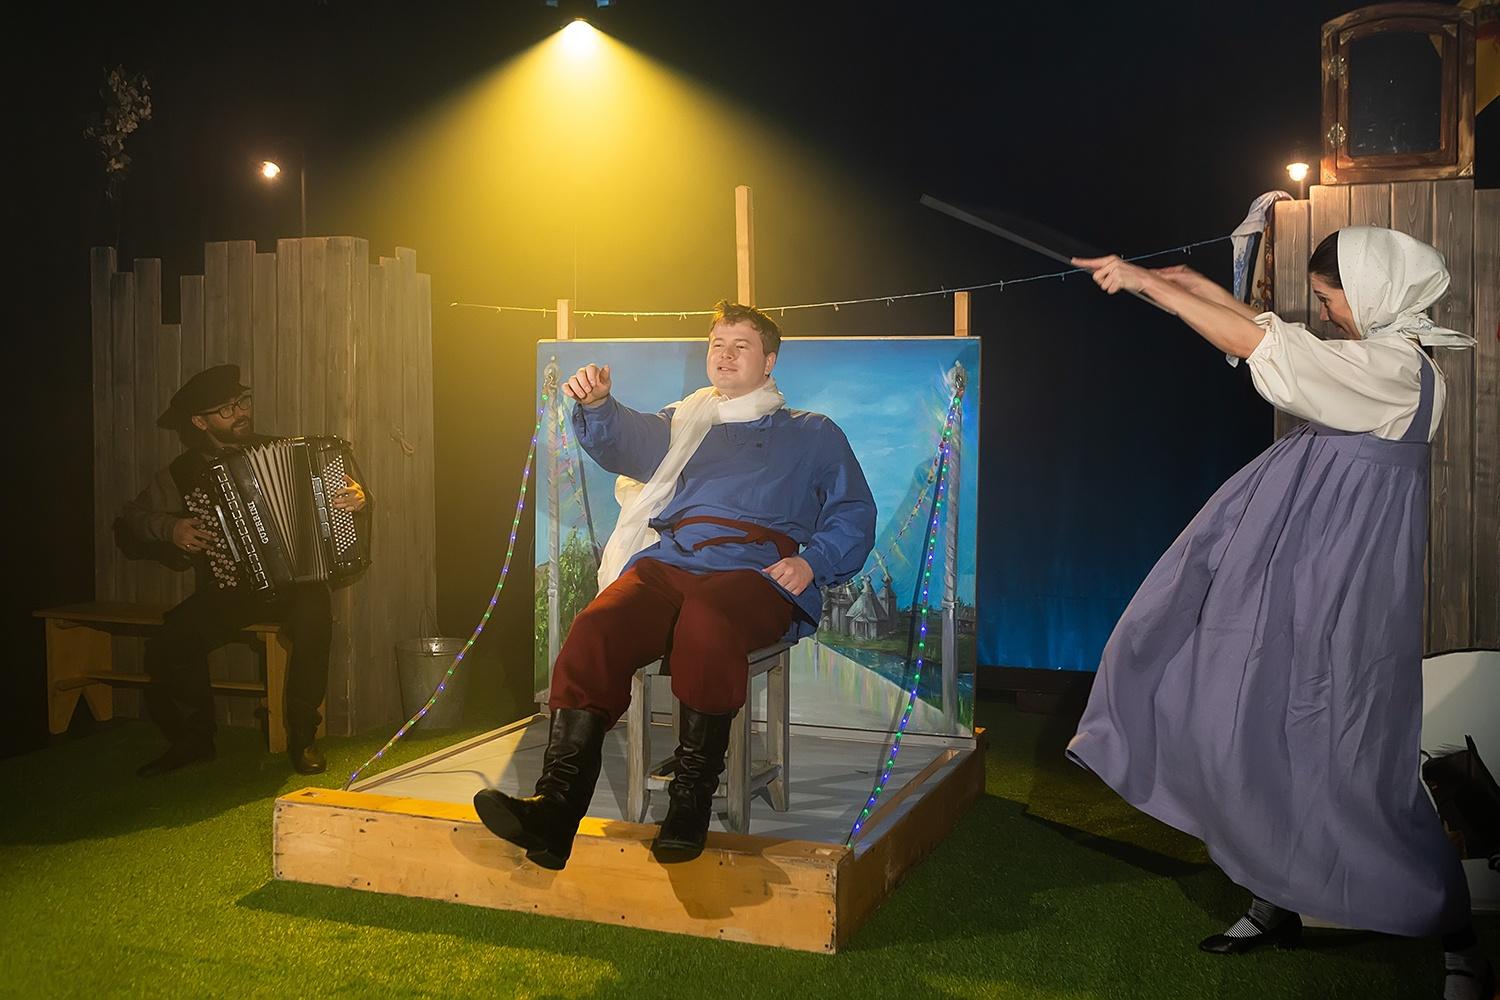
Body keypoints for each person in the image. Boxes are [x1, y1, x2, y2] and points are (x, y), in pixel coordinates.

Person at [1065, 228, 1490, 1000]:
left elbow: (1273, 351)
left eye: (1331, 298)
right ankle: (1274, 899)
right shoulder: (1373, 358)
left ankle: (1455, 937)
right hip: (1296, 568)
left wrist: (1146, 285)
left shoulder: (1397, 370)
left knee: (1353, 758)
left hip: (1341, 584)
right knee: (1258, 722)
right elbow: (1276, 335)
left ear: (1374, 293)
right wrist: (1195, 288)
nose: (1324, 311)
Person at [473, 301, 876, 868]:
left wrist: (814, 562)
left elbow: (854, 512)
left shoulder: (812, 433)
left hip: (755, 572)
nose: (725, 355)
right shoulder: (685, 421)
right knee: (598, 627)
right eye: (717, 345)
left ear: (769, 361)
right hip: (672, 562)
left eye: (741, 346)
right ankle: (555, 809)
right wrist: (598, 404)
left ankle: (689, 802)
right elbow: (625, 441)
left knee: (707, 620)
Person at [121, 364, 368, 778]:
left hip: (295, 584)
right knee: (170, 642)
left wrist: (358, 499)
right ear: (199, 422)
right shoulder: (182, 472)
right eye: (226, 409)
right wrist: (171, 528)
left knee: (314, 620)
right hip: (231, 587)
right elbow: (133, 517)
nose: (240, 413)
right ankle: (195, 740)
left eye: (242, 402)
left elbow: (345, 496)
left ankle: (303, 736)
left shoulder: (294, 452)